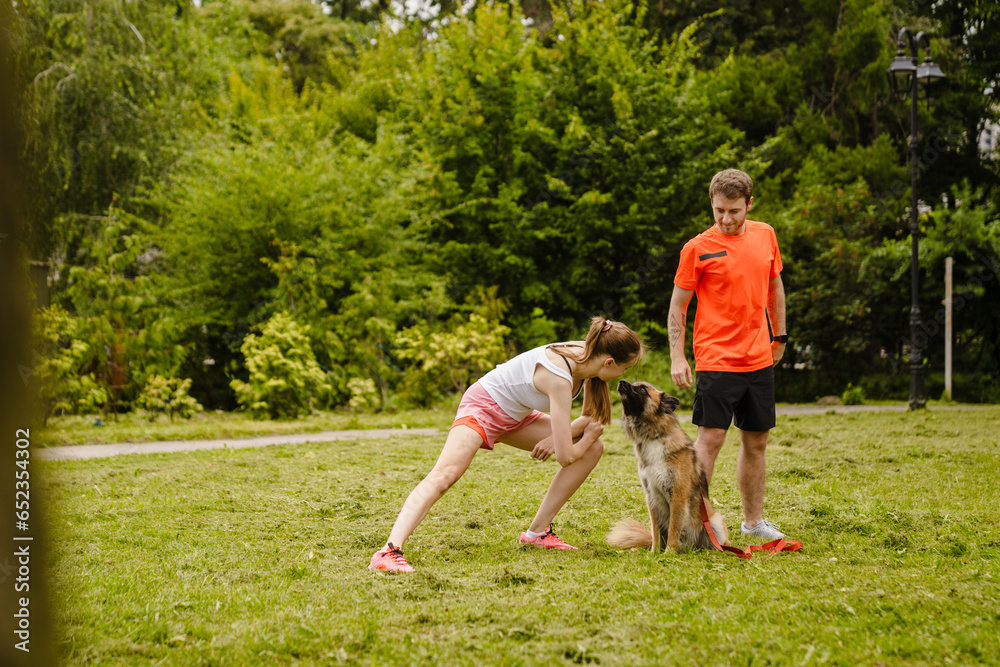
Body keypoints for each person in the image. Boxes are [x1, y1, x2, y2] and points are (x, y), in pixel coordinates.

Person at [369, 317, 644, 572]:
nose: (624, 373)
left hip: (518, 417)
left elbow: (588, 418)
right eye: (626, 367)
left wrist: (559, 437)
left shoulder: (590, 356)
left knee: (593, 449)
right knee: (444, 476)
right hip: (482, 408)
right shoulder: (560, 377)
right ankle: (388, 552)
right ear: (609, 362)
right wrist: (586, 437)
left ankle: (537, 534)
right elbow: (566, 456)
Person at [668, 168, 789, 541]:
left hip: (759, 358)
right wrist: (677, 357)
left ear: (749, 204)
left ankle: (754, 523)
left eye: (734, 211)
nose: (725, 218)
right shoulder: (696, 248)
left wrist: (780, 337)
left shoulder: (766, 235)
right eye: (719, 210)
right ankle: (691, 525)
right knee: (711, 439)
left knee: (757, 440)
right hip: (716, 358)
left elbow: (775, 288)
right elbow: (678, 306)